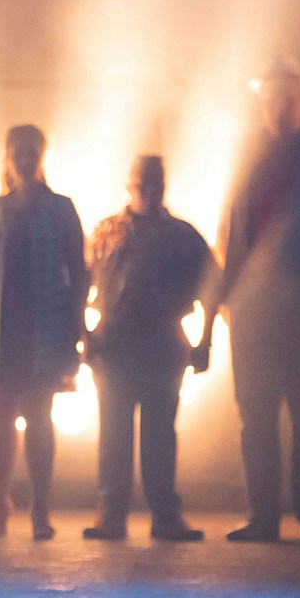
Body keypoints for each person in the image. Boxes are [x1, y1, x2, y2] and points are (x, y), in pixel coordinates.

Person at [217, 57, 300, 544]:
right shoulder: (250, 153)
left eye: (286, 97)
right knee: (257, 410)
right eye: (273, 97)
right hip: (256, 302)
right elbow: (235, 229)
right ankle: (267, 515)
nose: (279, 105)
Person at [0, 125, 87, 541]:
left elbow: (79, 269)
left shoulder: (61, 208)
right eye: (19, 152)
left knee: (40, 418)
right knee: (0, 417)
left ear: (42, 156)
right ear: (8, 158)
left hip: (45, 326)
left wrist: (78, 322)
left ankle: (41, 510)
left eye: (33, 152)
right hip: (0, 325)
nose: (26, 159)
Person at [82, 156, 217, 542]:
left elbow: (212, 287)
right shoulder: (105, 232)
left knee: (160, 432)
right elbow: (78, 283)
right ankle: (112, 514)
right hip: (116, 338)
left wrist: (204, 340)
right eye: (143, 183)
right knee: (114, 430)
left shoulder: (183, 236)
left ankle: (165, 516)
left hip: (163, 337)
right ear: (129, 185)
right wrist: (84, 334)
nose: (150, 190)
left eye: (156, 182)